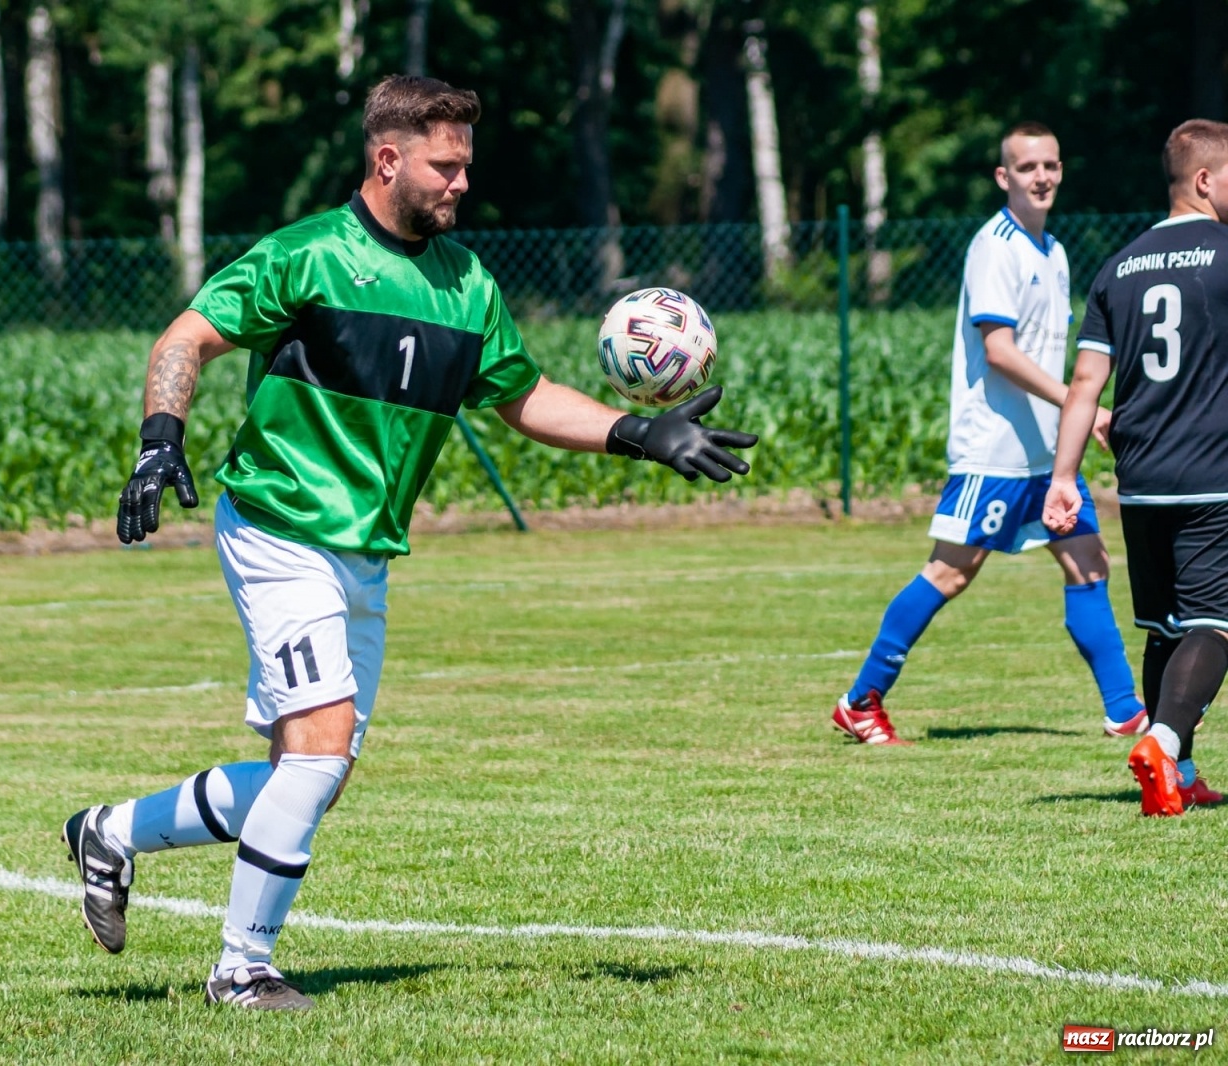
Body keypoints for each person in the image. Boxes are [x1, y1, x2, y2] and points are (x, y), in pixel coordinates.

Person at [60, 75, 758, 1010]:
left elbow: (522, 395)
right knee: (319, 747)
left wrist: (638, 433)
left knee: (309, 774)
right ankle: (243, 968)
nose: (462, 183)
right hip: (281, 528)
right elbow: (185, 338)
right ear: (388, 160)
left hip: (366, 552)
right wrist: (160, 437)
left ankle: (110, 831)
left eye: (466, 165)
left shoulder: (467, 285)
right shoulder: (306, 257)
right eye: (447, 164)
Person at [832, 121, 1146, 745]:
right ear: (1004, 177)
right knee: (951, 572)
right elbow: (999, 351)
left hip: (1044, 454)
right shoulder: (995, 246)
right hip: (994, 450)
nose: (1042, 177)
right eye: (1027, 167)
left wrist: (1071, 422)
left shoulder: (1051, 252)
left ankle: (1125, 710)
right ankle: (861, 699)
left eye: (1051, 165)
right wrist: (1079, 401)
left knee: (1089, 562)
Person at [1045, 119, 1228, 816]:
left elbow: (1086, 385)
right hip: (1215, 474)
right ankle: (1165, 741)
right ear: (1204, 180)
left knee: (1165, 626)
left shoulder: (1118, 266)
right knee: (1218, 623)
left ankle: (1177, 775)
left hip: (1143, 480)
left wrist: (1064, 479)